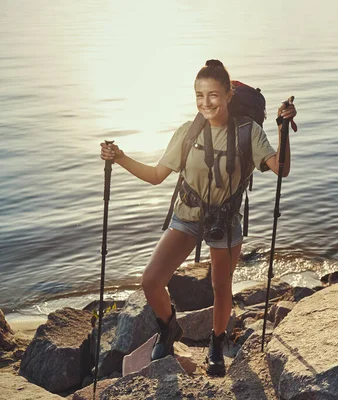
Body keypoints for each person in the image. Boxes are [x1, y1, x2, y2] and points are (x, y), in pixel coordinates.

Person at [99, 59, 296, 377]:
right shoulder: (187, 133)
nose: (206, 103)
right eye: (199, 95)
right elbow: (155, 176)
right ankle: (168, 329)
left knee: (221, 287)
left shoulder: (249, 132)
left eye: (214, 95)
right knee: (151, 280)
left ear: (229, 95)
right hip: (187, 216)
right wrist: (119, 157)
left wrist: (281, 127)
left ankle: (217, 343)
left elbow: (282, 169)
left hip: (225, 220)